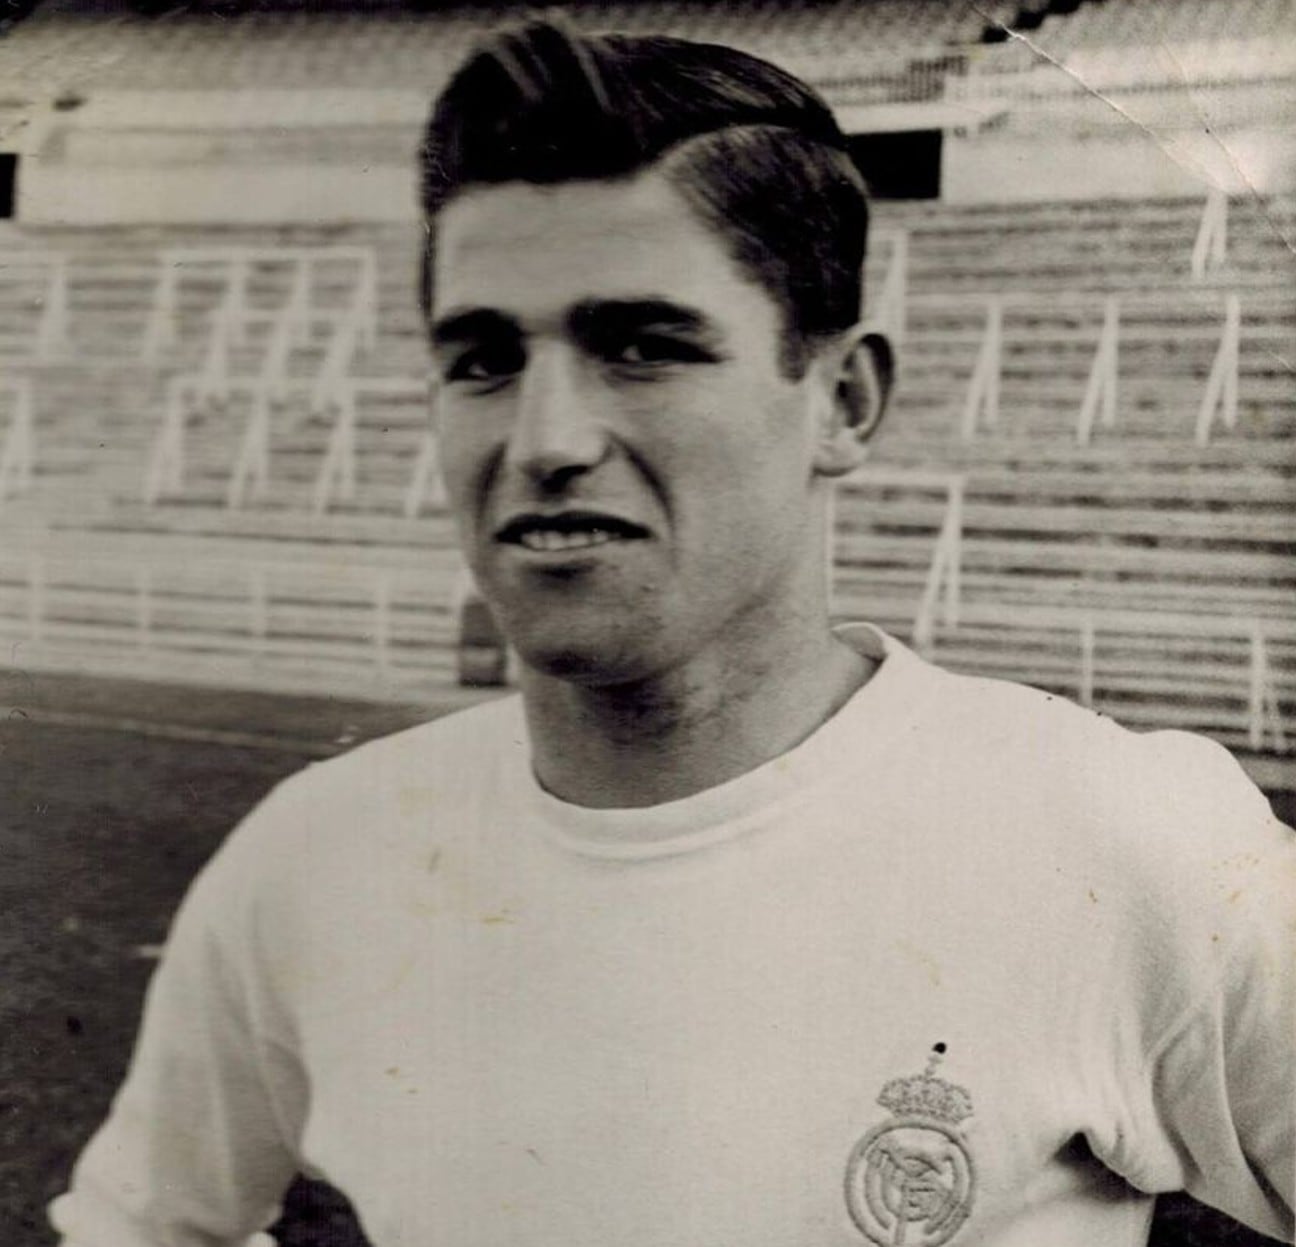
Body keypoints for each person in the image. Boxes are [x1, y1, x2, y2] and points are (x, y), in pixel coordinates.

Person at [52, 19, 1294, 1247]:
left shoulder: (1119, 839)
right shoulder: (310, 859)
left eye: (644, 346)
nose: (543, 439)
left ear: (843, 402)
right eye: (482, 358)